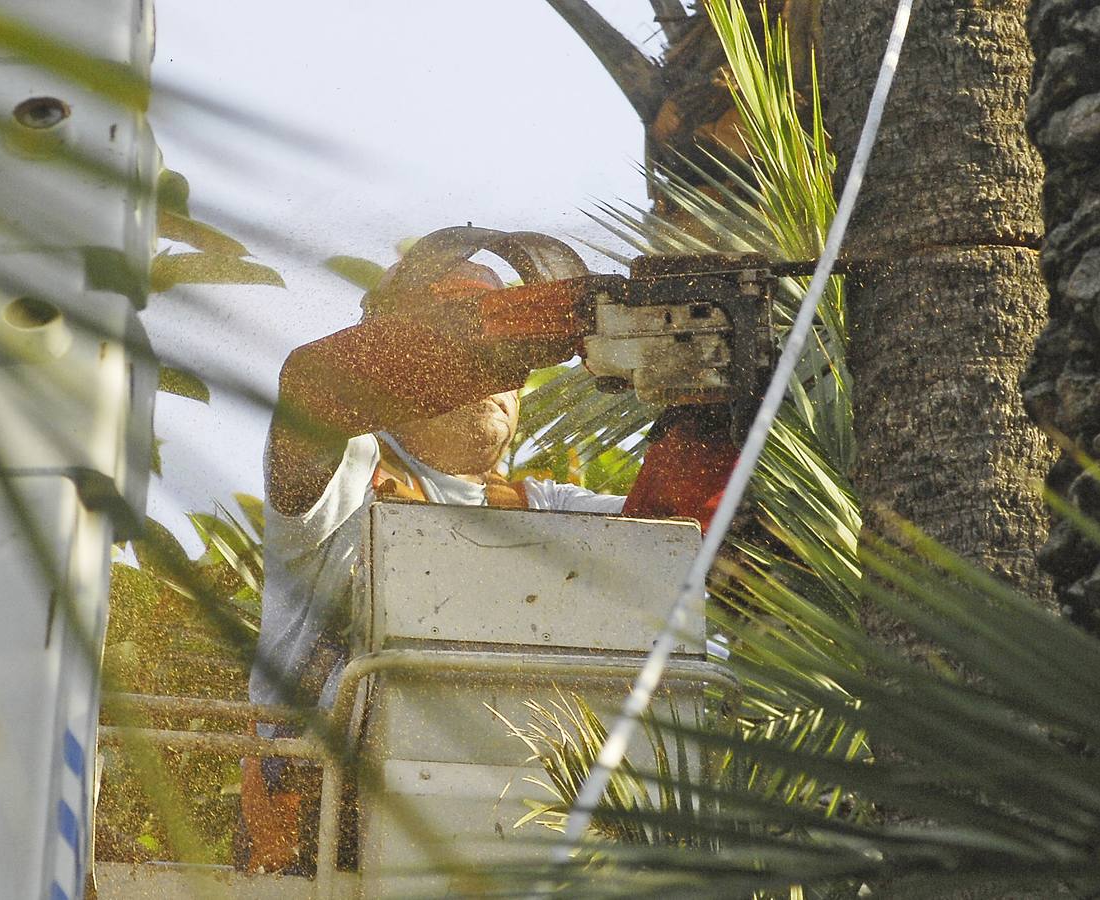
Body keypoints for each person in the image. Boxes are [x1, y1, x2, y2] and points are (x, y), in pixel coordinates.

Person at [237, 228, 738, 873]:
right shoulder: (343, 487)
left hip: (523, 833)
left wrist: (708, 393)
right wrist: (550, 321)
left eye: (516, 364)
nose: (502, 377)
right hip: (327, 842)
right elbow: (315, 384)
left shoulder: (549, 512)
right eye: (461, 336)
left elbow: (681, 544)